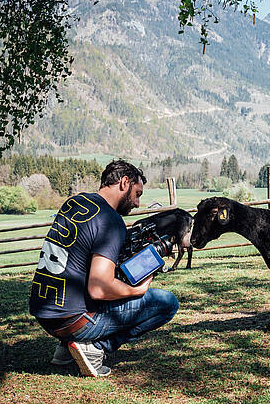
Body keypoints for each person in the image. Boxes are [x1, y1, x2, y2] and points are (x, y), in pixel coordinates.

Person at [29, 160, 179, 377]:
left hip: (45, 314)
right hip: (75, 320)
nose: (137, 203)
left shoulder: (75, 202)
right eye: (137, 194)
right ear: (124, 183)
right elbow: (99, 289)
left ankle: (66, 348)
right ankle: (96, 347)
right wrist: (136, 290)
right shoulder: (110, 220)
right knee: (167, 303)